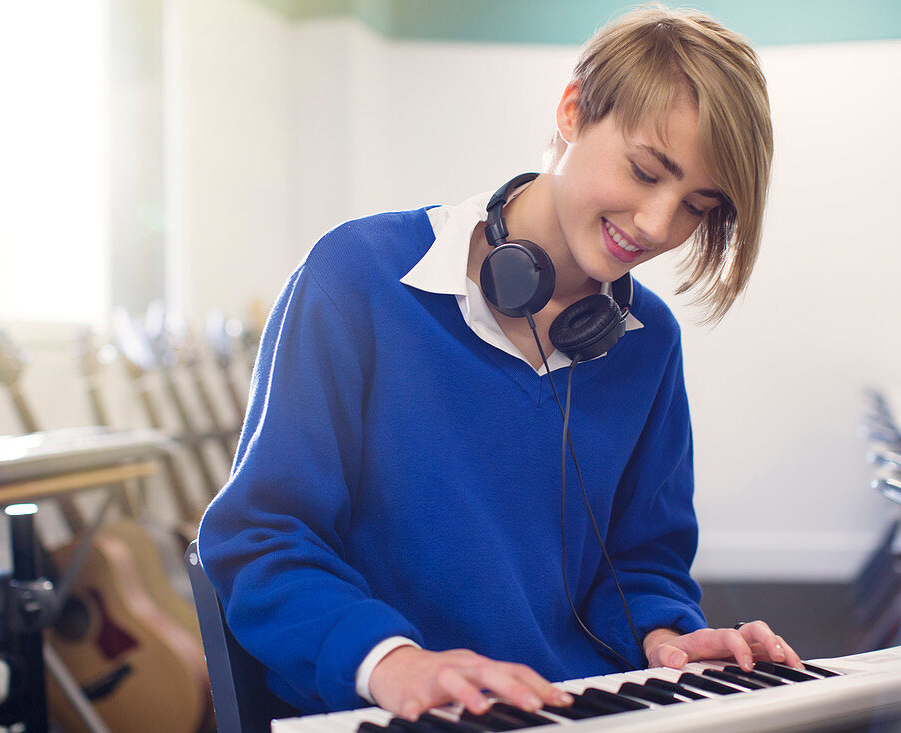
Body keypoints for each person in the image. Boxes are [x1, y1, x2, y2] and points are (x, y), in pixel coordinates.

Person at [199, 3, 801, 723]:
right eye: (645, 172)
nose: (656, 226)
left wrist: (668, 636)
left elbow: (641, 561)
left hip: (569, 708)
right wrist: (394, 662)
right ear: (574, 109)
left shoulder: (647, 340)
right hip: (388, 708)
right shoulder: (356, 279)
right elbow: (259, 537)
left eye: (696, 207)